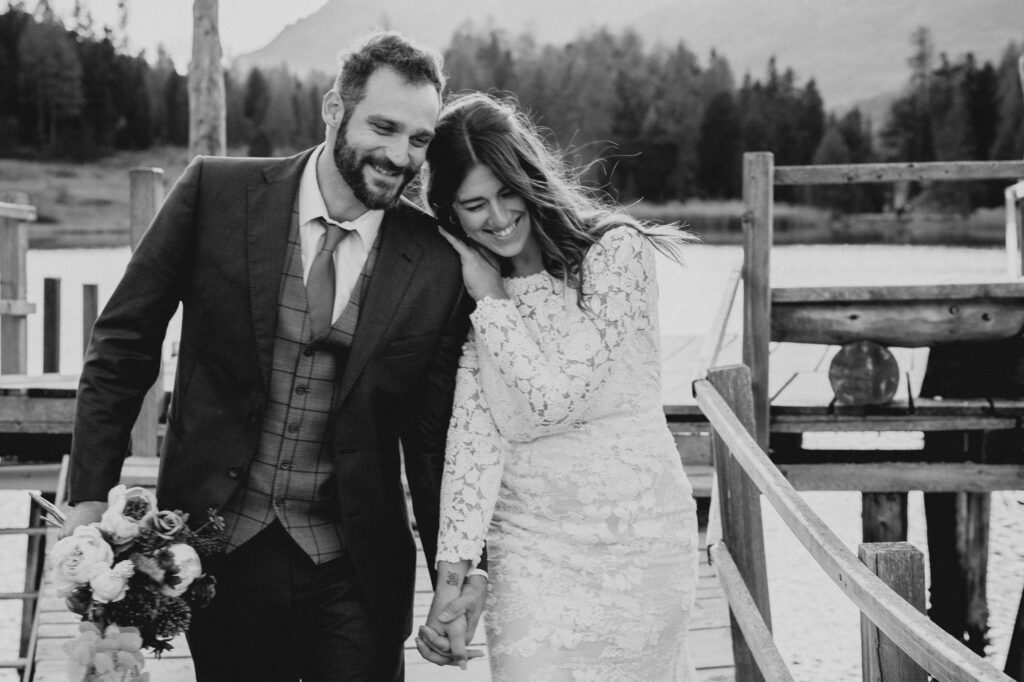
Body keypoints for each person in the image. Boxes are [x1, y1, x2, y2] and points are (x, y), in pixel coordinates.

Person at [63, 32, 486, 681]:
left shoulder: (432, 260)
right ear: (331, 108)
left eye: (419, 139)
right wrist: (90, 501)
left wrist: (454, 573)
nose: (401, 155)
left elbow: (433, 443)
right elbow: (124, 342)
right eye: (383, 127)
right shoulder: (216, 192)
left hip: (356, 570)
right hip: (215, 555)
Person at [415, 92, 700, 680]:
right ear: (450, 212)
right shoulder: (465, 294)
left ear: (530, 178)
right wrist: (450, 582)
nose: (496, 218)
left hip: (639, 543)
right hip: (528, 553)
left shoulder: (614, 254)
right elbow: (474, 442)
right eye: (473, 206)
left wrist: (491, 297)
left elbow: (556, 398)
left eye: (506, 192)